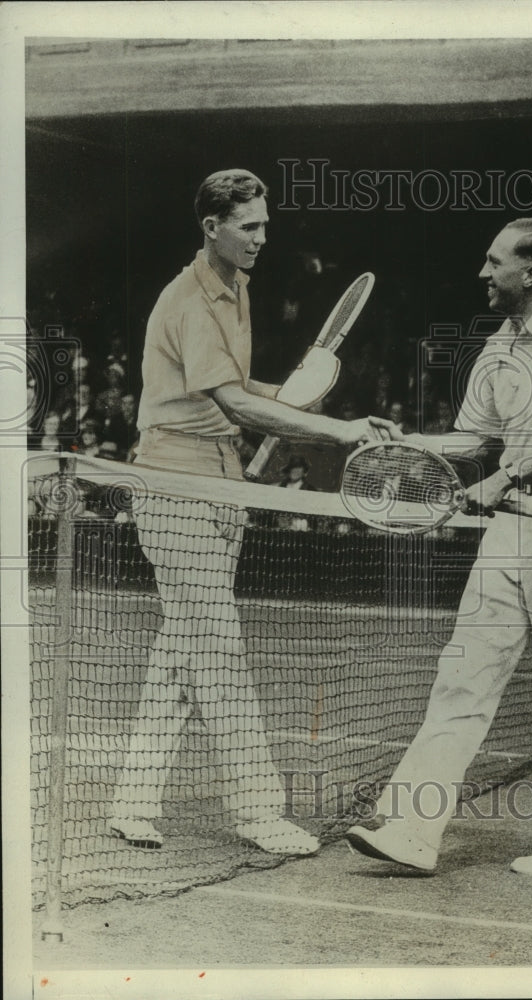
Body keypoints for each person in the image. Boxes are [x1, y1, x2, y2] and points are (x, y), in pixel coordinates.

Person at [111, 168, 399, 856]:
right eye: (249, 226)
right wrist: (336, 431)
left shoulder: (238, 286)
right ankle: (259, 809)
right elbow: (234, 406)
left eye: (266, 225)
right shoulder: (186, 300)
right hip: (174, 487)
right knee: (217, 648)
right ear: (212, 228)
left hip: (225, 484)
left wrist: (298, 398)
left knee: (182, 648)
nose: (262, 238)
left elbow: (240, 389)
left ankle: (132, 801)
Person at [346, 218, 532, 877]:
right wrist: (407, 444)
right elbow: (474, 439)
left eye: (492, 262)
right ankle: (411, 830)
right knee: (461, 675)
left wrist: (504, 477)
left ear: (528, 275)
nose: (482, 273)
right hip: (511, 530)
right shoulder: (497, 348)